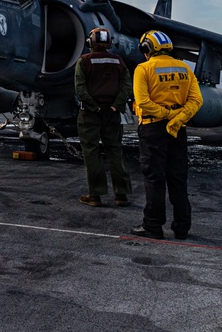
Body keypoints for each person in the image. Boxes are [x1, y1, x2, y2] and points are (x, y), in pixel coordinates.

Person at [130, 30, 202, 240]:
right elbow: (196, 100)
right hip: (178, 130)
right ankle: (182, 227)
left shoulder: (143, 69)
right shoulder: (184, 68)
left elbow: (143, 102)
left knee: (154, 178)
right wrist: (177, 119)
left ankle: (152, 226)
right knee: (178, 178)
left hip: (153, 129)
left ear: (147, 48)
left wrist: (166, 115)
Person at [74, 28, 131, 207]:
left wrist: (94, 106)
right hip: (112, 114)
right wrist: (116, 105)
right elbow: (126, 87)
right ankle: (121, 195)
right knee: (115, 151)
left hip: (90, 114)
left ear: (90, 42)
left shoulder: (84, 61)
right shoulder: (119, 61)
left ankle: (95, 196)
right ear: (110, 43)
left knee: (91, 153)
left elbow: (80, 89)